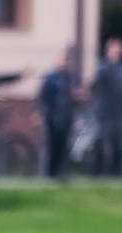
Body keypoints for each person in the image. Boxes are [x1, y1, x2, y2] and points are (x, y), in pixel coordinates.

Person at [90, 38, 122, 176]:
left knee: (118, 144)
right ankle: (97, 173)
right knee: (101, 142)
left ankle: (117, 173)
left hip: (119, 112)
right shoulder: (103, 66)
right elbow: (98, 80)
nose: (120, 51)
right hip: (104, 112)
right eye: (116, 48)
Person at [38, 51, 78, 179]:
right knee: (52, 145)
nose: (63, 63)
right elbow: (41, 96)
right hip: (52, 115)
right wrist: (38, 112)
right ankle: (50, 173)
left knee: (65, 146)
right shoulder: (50, 78)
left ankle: (63, 173)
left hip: (67, 116)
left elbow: (77, 95)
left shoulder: (72, 78)